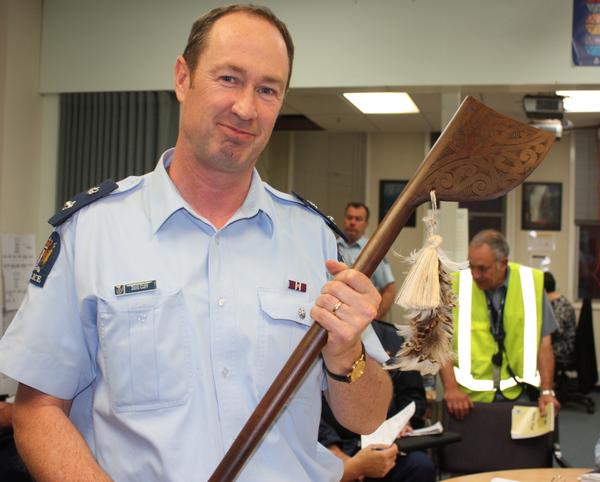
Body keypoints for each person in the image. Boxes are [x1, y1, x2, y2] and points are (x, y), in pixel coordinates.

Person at [0, 5, 393, 481]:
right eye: (229, 78)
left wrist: (347, 354)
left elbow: (367, 417)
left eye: (268, 90)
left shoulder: (314, 240)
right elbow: (37, 410)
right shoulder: (94, 232)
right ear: (183, 78)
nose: (247, 108)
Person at [439, 229, 560, 419]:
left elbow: (544, 344)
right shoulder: (455, 285)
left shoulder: (530, 284)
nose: (475, 274)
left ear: (503, 263)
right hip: (468, 399)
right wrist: (451, 388)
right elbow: (441, 343)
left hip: (520, 393)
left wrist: (546, 391)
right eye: (471, 267)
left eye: (482, 268)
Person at [319, 320, 436, 482]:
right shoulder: (315, 337)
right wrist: (334, 449)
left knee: (421, 465)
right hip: (337, 444)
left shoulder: (396, 338)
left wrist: (405, 422)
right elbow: (304, 403)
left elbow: (413, 396)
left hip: (390, 443)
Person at [338, 202, 397, 319]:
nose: (352, 222)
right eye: (349, 217)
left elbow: (390, 290)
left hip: (361, 320)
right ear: (344, 219)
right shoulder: (332, 246)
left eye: (358, 219)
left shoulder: (373, 251)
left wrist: (373, 318)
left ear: (366, 224)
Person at [543, 271, 576, 368]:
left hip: (563, 347)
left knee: (538, 351)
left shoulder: (561, 305)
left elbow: (555, 331)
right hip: (557, 343)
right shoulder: (552, 303)